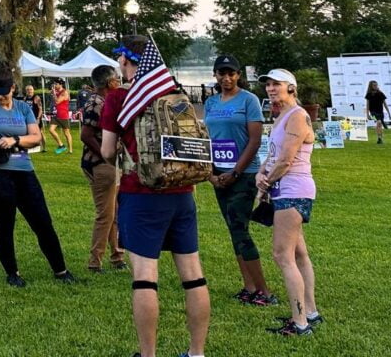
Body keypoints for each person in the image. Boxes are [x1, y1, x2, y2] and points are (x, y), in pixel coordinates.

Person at [101, 35, 209, 357]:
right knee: (193, 275)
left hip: (142, 193)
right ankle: (196, 352)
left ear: (125, 60)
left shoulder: (120, 98)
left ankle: (148, 354)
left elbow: (107, 151)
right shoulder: (175, 94)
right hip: (182, 192)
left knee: (145, 278)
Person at [0, 67, 76, 287]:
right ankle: (12, 273)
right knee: (4, 223)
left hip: (23, 171)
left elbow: (36, 136)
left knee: (42, 222)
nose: (0, 97)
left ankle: (61, 270)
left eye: (4, 92)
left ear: (13, 87)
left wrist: (14, 140)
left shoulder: (23, 108)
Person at [204, 55, 275, 307]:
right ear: (215, 75)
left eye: (231, 73)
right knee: (234, 231)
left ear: (238, 75)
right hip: (218, 174)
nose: (226, 78)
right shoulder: (210, 102)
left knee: (240, 231)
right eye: (221, 73)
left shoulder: (249, 100)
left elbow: (255, 141)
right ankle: (249, 286)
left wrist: (234, 172)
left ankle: (264, 292)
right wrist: (211, 174)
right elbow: (208, 140)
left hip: (242, 175)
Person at [255, 69, 322, 337]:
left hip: (293, 190)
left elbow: (286, 159)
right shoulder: (281, 115)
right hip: (284, 188)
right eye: (268, 85)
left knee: (282, 254)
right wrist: (262, 172)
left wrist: (266, 182)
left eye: (276, 84)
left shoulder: (296, 116)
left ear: (291, 88)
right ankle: (310, 312)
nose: (271, 89)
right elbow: (273, 156)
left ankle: (300, 323)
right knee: (298, 253)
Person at [79, 64, 126, 272]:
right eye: (117, 78)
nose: (119, 81)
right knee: (105, 214)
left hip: (109, 163)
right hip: (100, 164)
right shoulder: (96, 103)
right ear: (109, 83)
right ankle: (94, 262)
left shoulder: (106, 101)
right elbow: (85, 135)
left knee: (113, 212)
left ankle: (117, 256)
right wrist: (106, 156)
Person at [49, 78, 73, 154]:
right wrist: (53, 93)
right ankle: (61, 145)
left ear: (60, 84)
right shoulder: (57, 92)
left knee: (66, 133)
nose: (54, 85)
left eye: (56, 84)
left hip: (63, 114)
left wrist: (53, 93)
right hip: (56, 114)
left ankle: (70, 150)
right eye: (54, 84)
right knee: (51, 130)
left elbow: (57, 101)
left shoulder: (64, 92)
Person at [23, 84, 45, 150]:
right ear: (26, 91)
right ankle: (30, 146)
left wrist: (38, 118)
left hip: (36, 118)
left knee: (40, 133)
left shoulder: (36, 98)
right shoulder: (25, 98)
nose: (29, 91)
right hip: (28, 118)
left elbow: (40, 109)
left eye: (31, 89)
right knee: (28, 132)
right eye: (28, 90)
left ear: (33, 90)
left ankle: (44, 147)